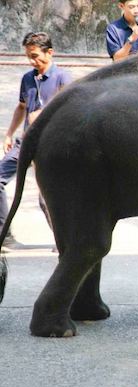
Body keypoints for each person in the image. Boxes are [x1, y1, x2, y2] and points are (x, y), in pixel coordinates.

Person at [1, 32, 72, 247]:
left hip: (50, 144)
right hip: (25, 143)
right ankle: (4, 234)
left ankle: (66, 242)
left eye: (35, 56)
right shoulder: (27, 78)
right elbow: (22, 107)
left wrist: (42, 113)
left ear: (50, 53)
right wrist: (9, 133)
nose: (32, 61)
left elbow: (70, 110)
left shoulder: (62, 78)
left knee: (46, 197)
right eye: (28, 57)